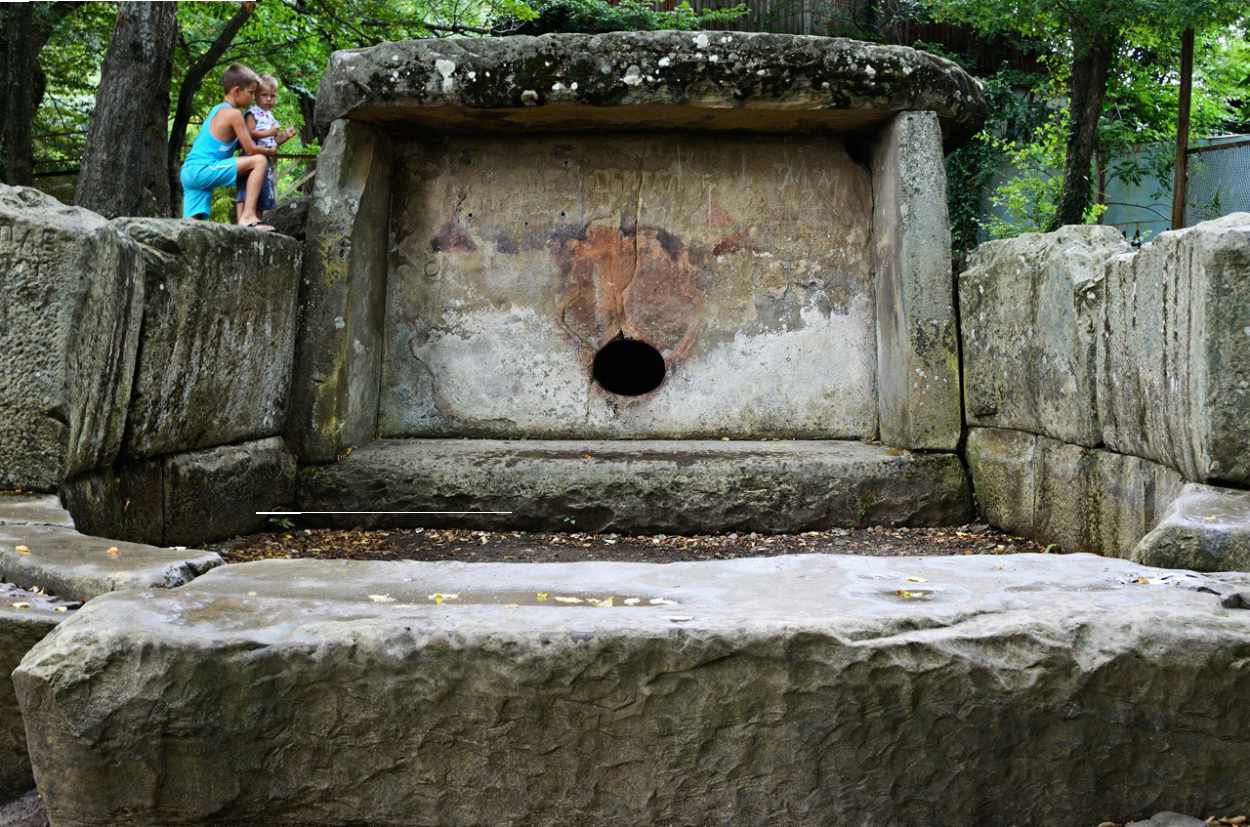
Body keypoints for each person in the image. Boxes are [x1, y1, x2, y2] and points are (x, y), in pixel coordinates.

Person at [178, 63, 276, 230]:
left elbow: (233, 143)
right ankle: (248, 216)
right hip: (204, 169)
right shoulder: (234, 114)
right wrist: (269, 151)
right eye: (251, 93)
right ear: (236, 91)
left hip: (189, 172)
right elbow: (251, 149)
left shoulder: (217, 110)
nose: (254, 98)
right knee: (259, 161)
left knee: (193, 225)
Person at [234, 74, 297, 224]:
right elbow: (250, 133)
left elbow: (273, 141)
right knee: (245, 191)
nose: (269, 99)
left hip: (266, 160)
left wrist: (285, 136)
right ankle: (241, 221)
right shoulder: (252, 113)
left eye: (273, 96)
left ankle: (256, 222)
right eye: (264, 95)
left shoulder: (270, 117)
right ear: (255, 96)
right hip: (251, 157)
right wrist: (269, 132)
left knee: (261, 193)